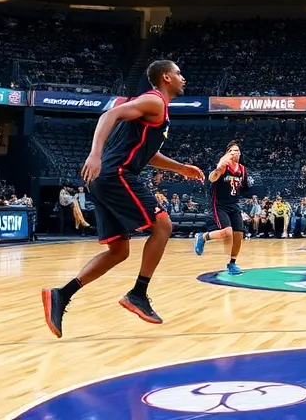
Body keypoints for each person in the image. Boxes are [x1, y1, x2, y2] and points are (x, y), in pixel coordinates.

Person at [42, 61, 204, 339]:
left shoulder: (155, 111)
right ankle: (138, 294)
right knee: (163, 226)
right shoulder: (154, 101)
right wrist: (95, 153)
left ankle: (61, 295)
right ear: (166, 77)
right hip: (115, 174)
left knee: (119, 251)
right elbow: (110, 115)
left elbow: (147, 154)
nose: (183, 78)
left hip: (102, 180)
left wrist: (180, 168)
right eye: (178, 73)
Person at [194, 142, 247, 275]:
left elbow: (244, 188)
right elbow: (212, 179)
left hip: (233, 205)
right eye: (233, 150)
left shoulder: (242, 169)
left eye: (238, 150)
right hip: (220, 204)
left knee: (238, 234)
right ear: (227, 153)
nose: (236, 153)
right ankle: (202, 237)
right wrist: (219, 166)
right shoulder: (223, 167)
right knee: (227, 232)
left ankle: (232, 264)